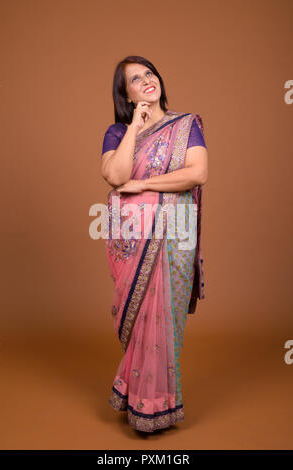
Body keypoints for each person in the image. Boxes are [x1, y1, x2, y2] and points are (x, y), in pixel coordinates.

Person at [100, 56, 208, 433]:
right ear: (126, 94)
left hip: (174, 234)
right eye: (134, 79)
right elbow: (116, 175)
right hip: (131, 240)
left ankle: (155, 404)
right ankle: (138, 397)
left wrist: (144, 185)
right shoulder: (117, 132)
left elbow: (197, 173)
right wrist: (135, 126)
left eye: (149, 72)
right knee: (142, 316)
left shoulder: (186, 125)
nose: (146, 80)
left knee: (166, 320)